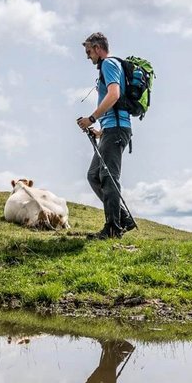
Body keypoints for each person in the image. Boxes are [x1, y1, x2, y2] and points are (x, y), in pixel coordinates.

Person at [76, 32, 136, 240]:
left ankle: (113, 229)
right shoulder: (108, 66)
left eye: (89, 51)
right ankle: (123, 219)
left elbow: (114, 94)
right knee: (94, 175)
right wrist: (100, 131)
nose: (87, 56)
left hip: (117, 129)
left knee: (109, 178)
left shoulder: (109, 64)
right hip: (111, 129)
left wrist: (91, 119)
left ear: (98, 48)